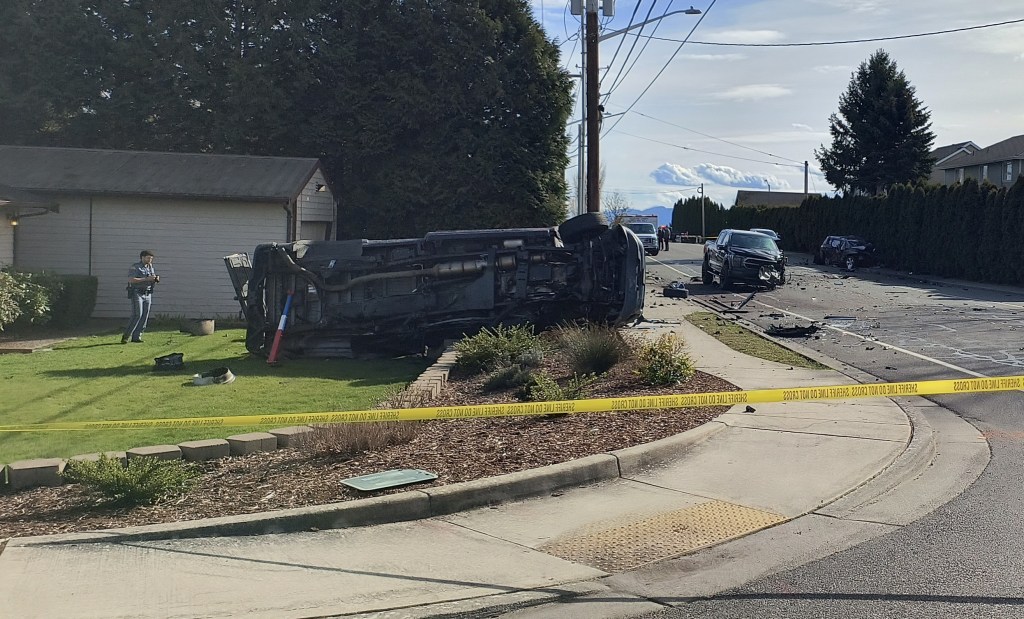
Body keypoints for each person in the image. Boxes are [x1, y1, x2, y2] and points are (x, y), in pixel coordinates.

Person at [122, 250, 159, 343]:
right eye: (148, 258)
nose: (150, 260)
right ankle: (126, 336)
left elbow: (151, 277)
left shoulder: (150, 267)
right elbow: (131, 279)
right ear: (142, 257)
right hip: (137, 293)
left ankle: (137, 336)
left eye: (151, 258)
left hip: (147, 293)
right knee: (137, 314)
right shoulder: (135, 267)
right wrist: (146, 279)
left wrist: (155, 279)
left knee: (144, 316)